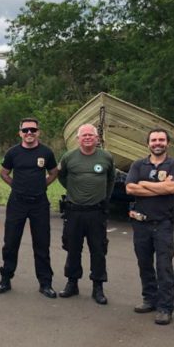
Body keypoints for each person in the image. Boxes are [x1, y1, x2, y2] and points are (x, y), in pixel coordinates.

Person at [125, 129, 174, 325]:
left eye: (161, 140)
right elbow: (129, 188)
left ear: (167, 143)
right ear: (148, 143)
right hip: (141, 223)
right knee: (144, 264)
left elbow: (173, 188)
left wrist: (143, 184)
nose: (157, 143)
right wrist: (160, 189)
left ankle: (165, 307)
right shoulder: (138, 164)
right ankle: (149, 299)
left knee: (164, 267)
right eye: (153, 140)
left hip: (163, 224)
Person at [0, 118, 59, 298]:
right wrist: (15, 185)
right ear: (20, 133)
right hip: (17, 203)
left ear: (38, 132)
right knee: (10, 243)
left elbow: (54, 172)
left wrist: (43, 185)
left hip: (39, 203)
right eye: (25, 130)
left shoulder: (46, 152)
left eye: (33, 130)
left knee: (42, 244)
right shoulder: (13, 152)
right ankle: (5, 279)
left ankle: (45, 283)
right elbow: (3, 172)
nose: (29, 133)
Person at [57, 123, 115, 305]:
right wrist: (75, 190)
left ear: (97, 138)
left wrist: (104, 197)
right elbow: (62, 176)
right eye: (84, 135)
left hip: (96, 212)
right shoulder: (68, 157)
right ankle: (72, 283)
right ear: (78, 139)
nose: (88, 138)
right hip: (74, 211)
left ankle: (98, 287)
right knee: (72, 248)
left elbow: (111, 179)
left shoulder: (106, 157)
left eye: (91, 135)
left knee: (98, 250)